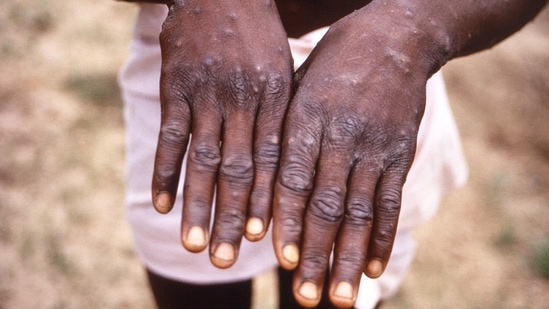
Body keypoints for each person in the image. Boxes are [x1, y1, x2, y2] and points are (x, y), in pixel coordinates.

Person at [117, 0, 547, 308]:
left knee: (332, 289)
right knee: (192, 280)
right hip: (205, 63)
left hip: (375, 83)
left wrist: (412, 29)